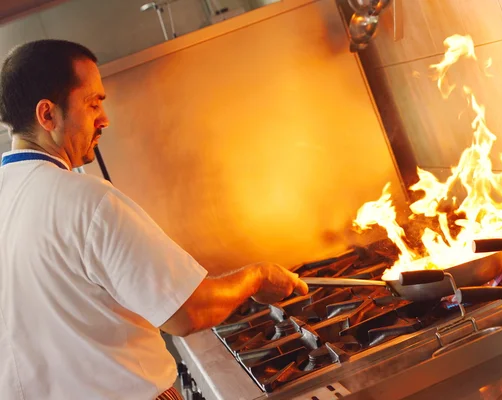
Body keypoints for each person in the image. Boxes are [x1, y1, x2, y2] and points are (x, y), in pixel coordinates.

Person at [0, 40, 309, 400]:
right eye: (93, 103)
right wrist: (257, 277)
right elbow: (187, 312)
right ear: (47, 115)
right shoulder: (86, 201)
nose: (104, 118)